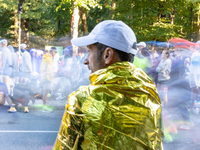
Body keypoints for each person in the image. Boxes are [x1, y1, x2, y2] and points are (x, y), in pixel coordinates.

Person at [53, 20, 163, 150]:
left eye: (89, 51)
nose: (86, 60)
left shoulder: (81, 100)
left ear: (107, 55)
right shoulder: (150, 96)